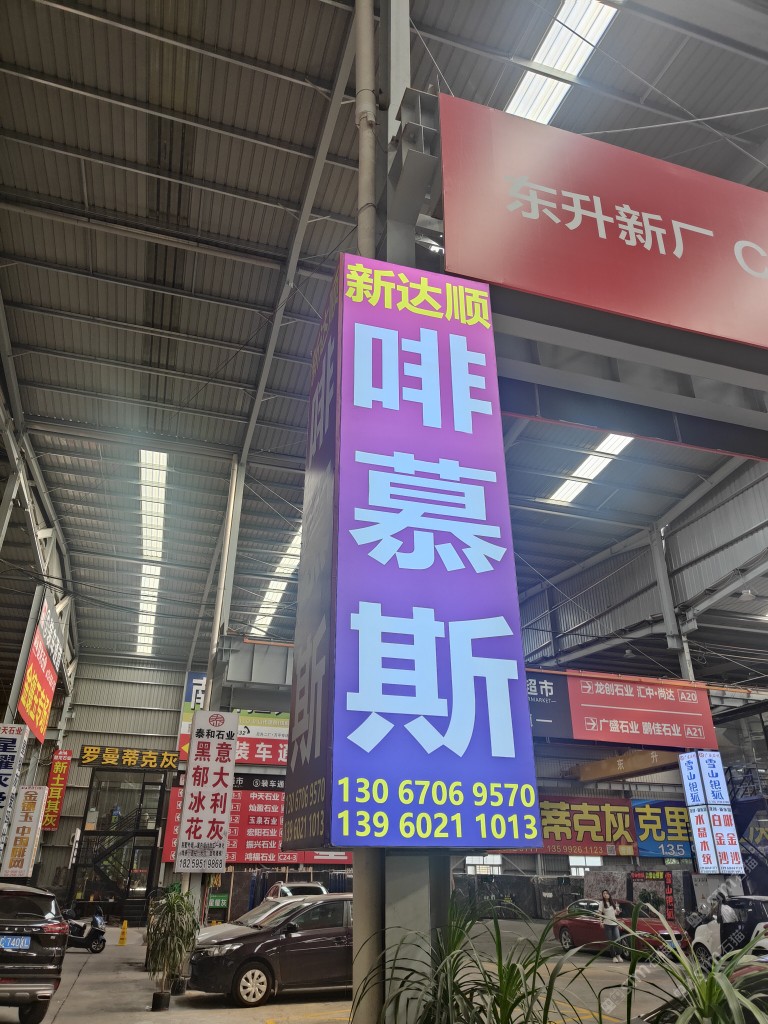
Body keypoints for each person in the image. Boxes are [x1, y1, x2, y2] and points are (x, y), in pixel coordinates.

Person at [599, 889, 622, 962]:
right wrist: (600, 922)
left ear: (609, 894)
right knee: (611, 941)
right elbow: (599, 913)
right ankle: (613, 956)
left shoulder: (613, 903)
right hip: (607, 924)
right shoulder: (602, 903)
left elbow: (615, 914)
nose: (605, 894)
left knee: (618, 940)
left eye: (606, 893)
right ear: (603, 895)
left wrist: (618, 911)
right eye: (604, 893)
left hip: (615, 924)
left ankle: (618, 955)